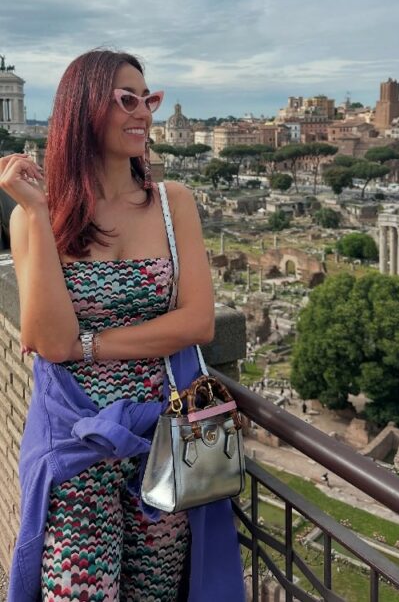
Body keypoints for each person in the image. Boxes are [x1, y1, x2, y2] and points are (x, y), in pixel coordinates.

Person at [0, 50, 244, 601]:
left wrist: (88, 345)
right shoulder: (32, 216)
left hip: (164, 437)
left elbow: (198, 322)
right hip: (75, 443)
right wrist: (38, 217)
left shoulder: (172, 203)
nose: (144, 113)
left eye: (149, 99)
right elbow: (49, 339)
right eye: (127, 100)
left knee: (154, 595)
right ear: (83, 108)